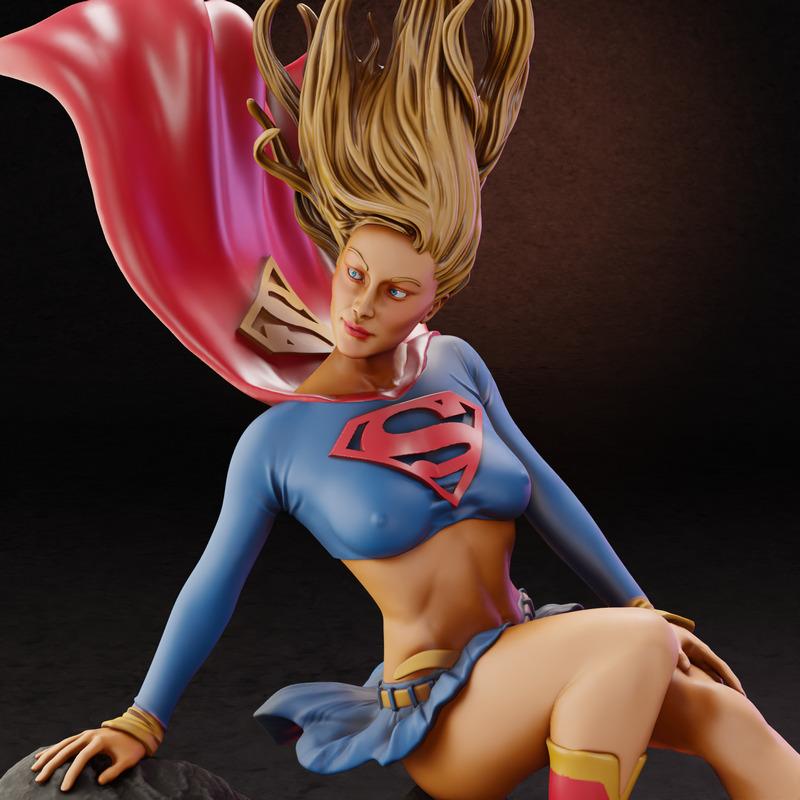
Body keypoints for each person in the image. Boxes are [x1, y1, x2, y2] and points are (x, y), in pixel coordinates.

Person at [4, 0, 798, 798]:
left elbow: (545, 491)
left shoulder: (455, 364)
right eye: (354, 275)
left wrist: (643, 604)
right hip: (442, 711)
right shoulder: (278, 442)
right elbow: (214, 584)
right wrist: (141, 718)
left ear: (432, 300)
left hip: (535, 647)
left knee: (724, 712)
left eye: (394, 291)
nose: (360, 306)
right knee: (635, 644)